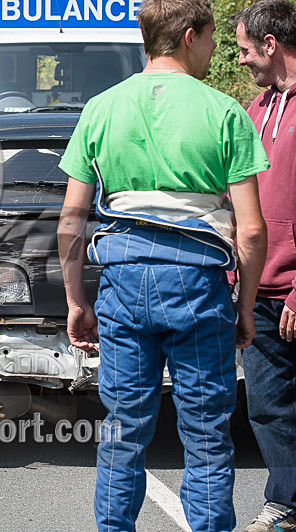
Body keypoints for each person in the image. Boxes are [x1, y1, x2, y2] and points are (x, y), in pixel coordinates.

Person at [56, 1, 270, 530]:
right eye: (213, 40)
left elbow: (69, 222)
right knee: (205, 434)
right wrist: (245, 307)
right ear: (190, 36)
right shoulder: (224, 111)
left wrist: (76, 300)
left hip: (124, 281)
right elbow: (251, 229)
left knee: (123, 430)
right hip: (198, 284)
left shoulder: (101, 108)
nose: (216, 51)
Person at [234, 2, 296, 530]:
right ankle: (285, 507)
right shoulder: (254, 110)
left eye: (247, 49)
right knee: (269, 409)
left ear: (272, 43)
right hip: (262, 289)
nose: (240, 59)